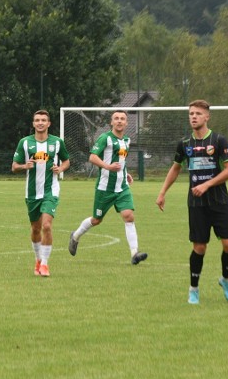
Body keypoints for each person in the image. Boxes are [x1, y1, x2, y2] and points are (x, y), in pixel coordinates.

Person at [156, 100, 228, 305]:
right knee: (199, 248)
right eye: (191, 113)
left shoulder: (219, 141)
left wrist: (207, 185)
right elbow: (175, 168)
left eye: (198, 114)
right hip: (196, 204)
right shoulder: (185, 144)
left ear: (207, 117)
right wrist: (162, 192)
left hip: (219, 201)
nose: (194, 116)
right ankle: (193, 289)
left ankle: (225, 280)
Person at [68, 110, 148, 265]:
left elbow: (121, 161)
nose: (119, 121)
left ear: (126, 123)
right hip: (105, 188)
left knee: (129, 216)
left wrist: (126, 173)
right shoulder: (105, 138)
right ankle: (75, 236)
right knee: (97, 220)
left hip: (122, 187)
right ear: (111, 122)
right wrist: (107, 167)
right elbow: (92, 157)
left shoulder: (126, 140)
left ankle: (134, 253)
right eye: (116, 118)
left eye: (122, 119)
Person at [11, 110, 70, 277]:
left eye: (44, 120)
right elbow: (14, 166)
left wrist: (61, 168)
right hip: (31, 193)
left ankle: (45, 264)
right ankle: (38, 259)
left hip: (51, 190)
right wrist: (24, 166)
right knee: (35, 229)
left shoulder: (57, 142)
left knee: (46, 226)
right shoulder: (25, 142)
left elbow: (66, 161)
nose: (40, 123)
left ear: (49, 123)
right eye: (37, 120)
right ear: (33, 123)